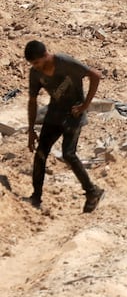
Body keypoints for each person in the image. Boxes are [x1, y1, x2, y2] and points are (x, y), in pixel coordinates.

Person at [23, 40, 104, 213]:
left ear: (45, 56)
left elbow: (95, 76)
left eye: (37, 62)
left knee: (68, 153)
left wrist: (84, 106)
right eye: (32, 64)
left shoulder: (64, 62)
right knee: (40, 153)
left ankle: (92, 192)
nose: (35, 67)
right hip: (54, 114)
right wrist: (30, 130)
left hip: (73, 115)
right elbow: (32, 101)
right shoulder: (35, 74)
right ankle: (36, 196)